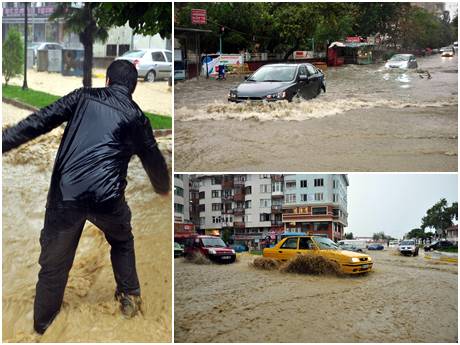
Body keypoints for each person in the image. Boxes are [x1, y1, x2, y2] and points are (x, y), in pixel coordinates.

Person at [2, 60, 170, 335]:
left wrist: (5, 141)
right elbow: (154, 159)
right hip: (108, 199)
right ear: (134, 87)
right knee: (122, 240)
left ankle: (41, 328)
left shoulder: (82, 97)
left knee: (54, 266)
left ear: (107, 81)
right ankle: (129, 299)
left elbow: (39, 121)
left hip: (66, 195)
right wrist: (162, 188)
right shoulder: (138, 118)